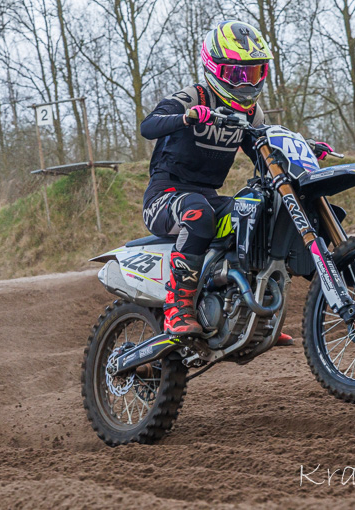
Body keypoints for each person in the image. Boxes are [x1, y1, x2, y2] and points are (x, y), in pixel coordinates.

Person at [140, 20, 332, 343]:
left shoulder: (251, 114)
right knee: (198, 213)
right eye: (236, 74)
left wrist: (302, 149)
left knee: (256, 215)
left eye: (253, 73)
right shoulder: (194, 96)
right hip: (164, 195)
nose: (246, 83)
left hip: (207, 195)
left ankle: (251, 315)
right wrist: (187, 117)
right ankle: (177, 307)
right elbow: (148, 126)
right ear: (214, 69)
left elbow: (262, 153)